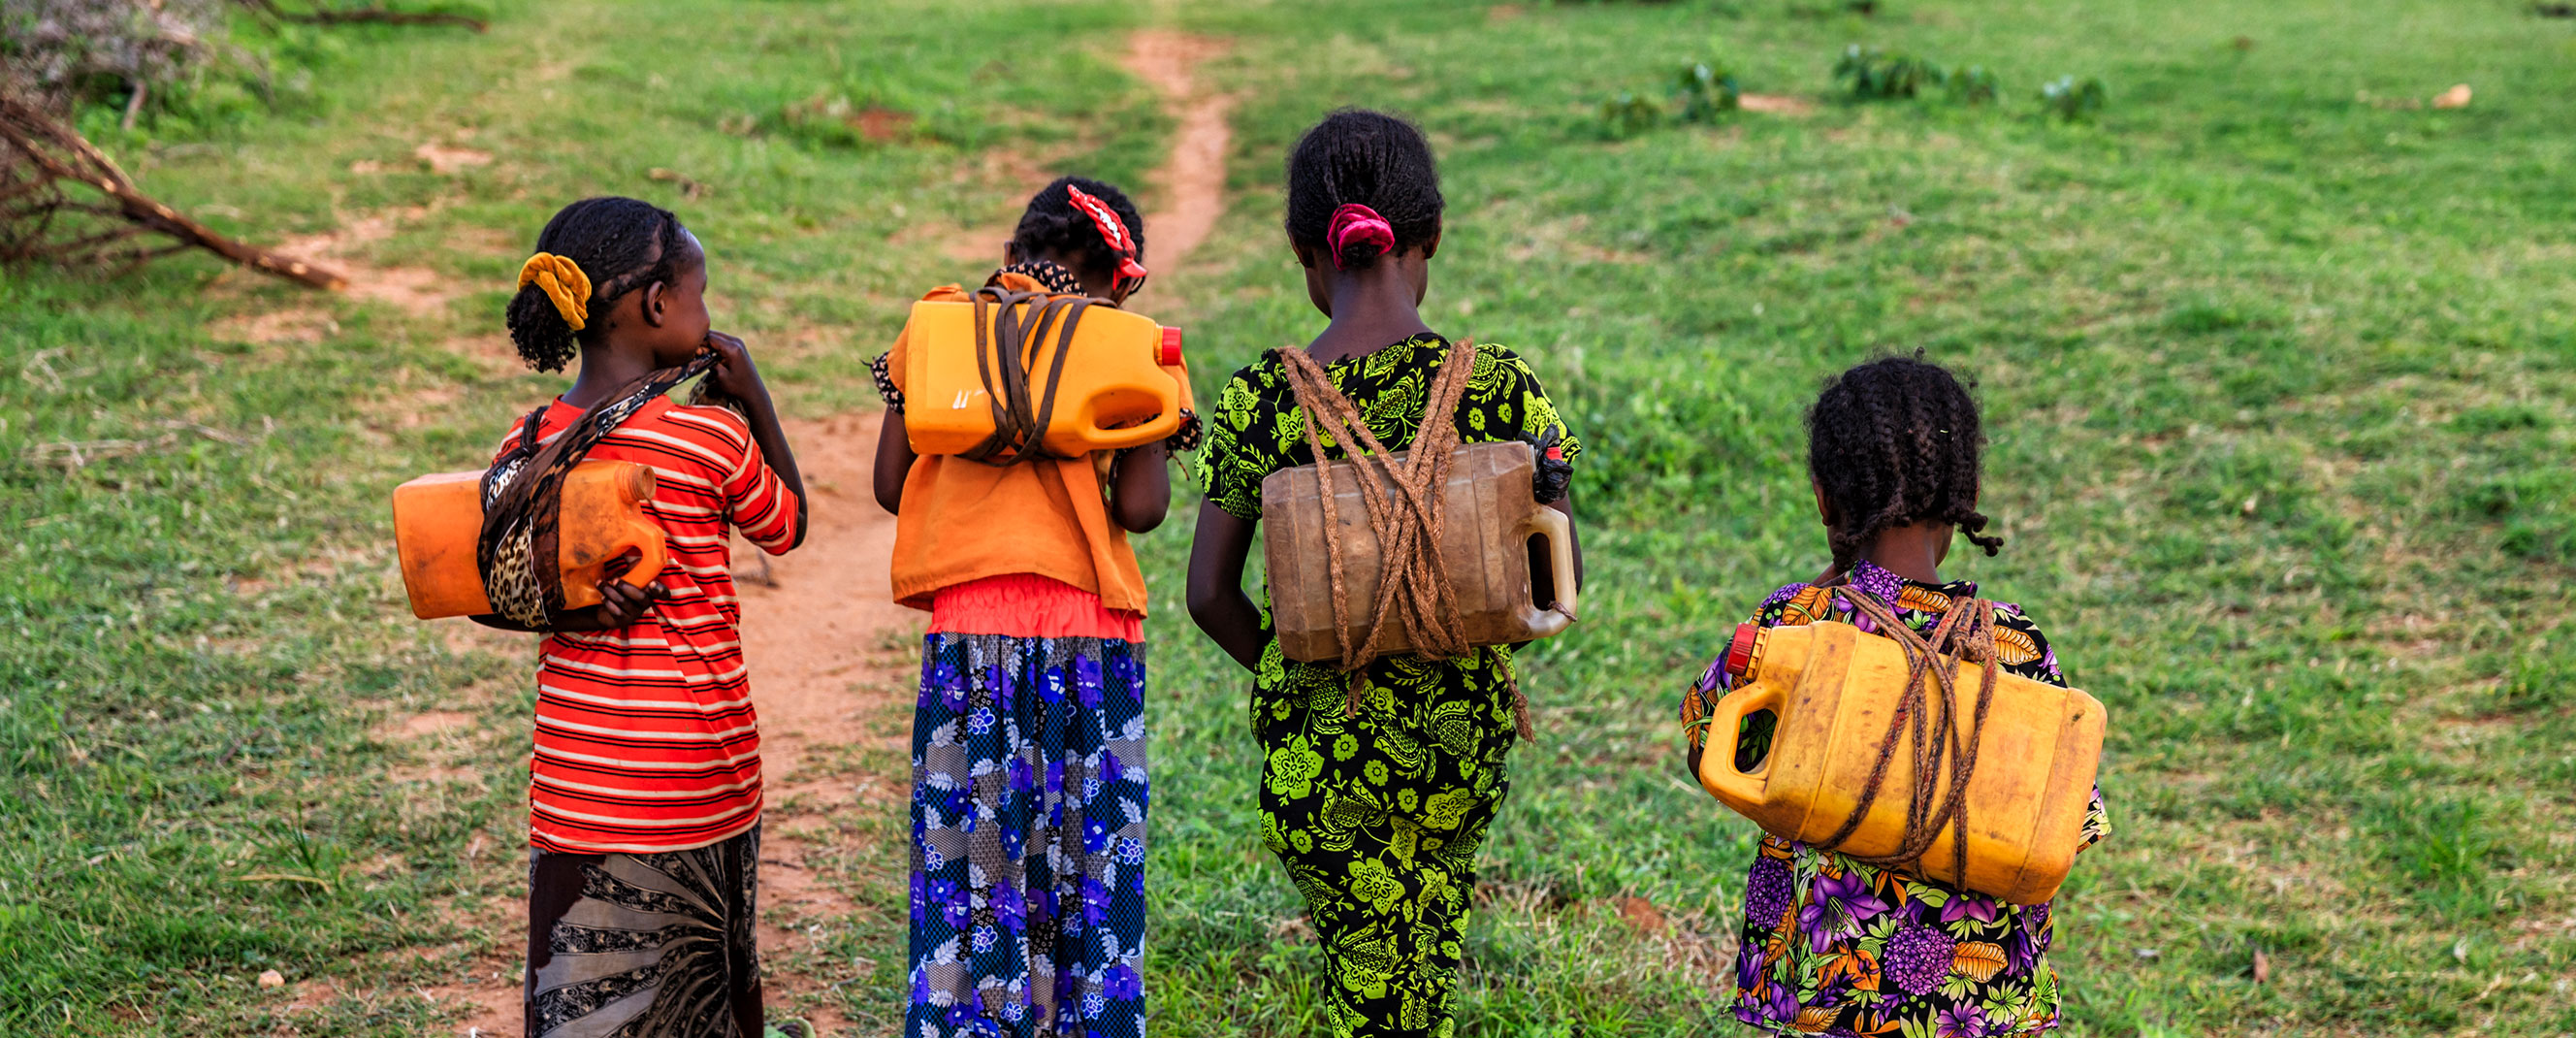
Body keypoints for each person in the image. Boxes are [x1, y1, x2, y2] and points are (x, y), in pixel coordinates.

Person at [1186, 109, 1583, 1037]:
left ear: (1303, 251)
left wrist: (1303, 674)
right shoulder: (1502, 389)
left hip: (1324, 755)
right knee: (1425, 951)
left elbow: (1208, 597)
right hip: (1461, 748)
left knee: (1364, 971)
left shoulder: (1260, 399)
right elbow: (1555, 588)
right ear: (1431, 235)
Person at [1675, 353, 2107, 1037]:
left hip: (1827, 995)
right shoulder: (2013, 644)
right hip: (1980, 999)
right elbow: (2069, 826)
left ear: (1824, 496)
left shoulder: (1796, 625)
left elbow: (1708, 740)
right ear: (1959, 492)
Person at [471, 197, 808, 1037]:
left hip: (579, 785)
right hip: (701, 777)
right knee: (702, 983)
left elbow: (487, 588)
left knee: (587, 988)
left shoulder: (525, 446)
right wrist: (753, 397)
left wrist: (577, 609)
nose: (706, 314)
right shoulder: (709, 441)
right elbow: (787, 522)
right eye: (700, 294)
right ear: (658, 306)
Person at [872, 177, 1172, 1038]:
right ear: (1120, 279)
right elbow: (1143, 510)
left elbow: (893, 486)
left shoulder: (942, 331)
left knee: (975, 868)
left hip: (969, 640)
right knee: (1091, 872)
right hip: (1090, 641)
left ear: (1011, 256)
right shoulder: (1127, 346)